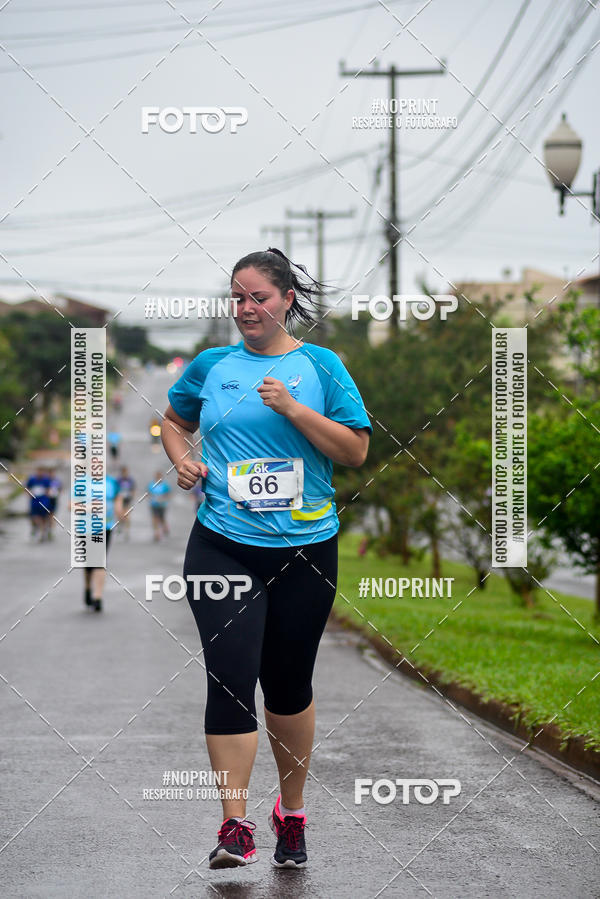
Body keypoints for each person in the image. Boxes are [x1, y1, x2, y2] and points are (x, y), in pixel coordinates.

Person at [161, 247, 371, 870]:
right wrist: (181, 459)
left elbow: (356, 451)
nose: (246, 308)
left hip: (305, 548)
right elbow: (173, 421)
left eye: (259, 297)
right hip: (222, 543)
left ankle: (292, 811)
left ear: (286, 302)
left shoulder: (321, 366)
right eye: (238, 297)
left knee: (287, 685)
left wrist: (295, 409)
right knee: (229, 676)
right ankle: (235, 825)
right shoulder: (212, 365)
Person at [77, 474, 123, 612]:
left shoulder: (111, 482)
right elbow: (71, 505)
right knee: (88, 563)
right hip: (85, 528)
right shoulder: (81, 482)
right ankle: (87, 588)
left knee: (100, 561)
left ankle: (97, 597)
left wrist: (119, 510)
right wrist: (88, 508)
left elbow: (118, 498)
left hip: (105, 527)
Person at [26, 465, 52, 542]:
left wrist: (47, 495)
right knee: (34, 516)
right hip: (34, 501)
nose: (40, 473)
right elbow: (27, 488)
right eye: (38, 471)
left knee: (44, 518)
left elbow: (48, 489)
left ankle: (43, 533)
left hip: (44, 501)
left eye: (41, 471)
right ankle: (37, 527)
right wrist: (30, 494)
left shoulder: (46, 480)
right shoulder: (32, 479)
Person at [147, 471, 171, 540]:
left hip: (162, 505)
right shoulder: (152, 485)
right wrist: (151, 498)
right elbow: (149, 493)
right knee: (155, 519)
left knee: (162, 518)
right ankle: (156, 533)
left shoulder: (164, 485)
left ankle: (165, 527)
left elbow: (168, 494)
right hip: (154, 504)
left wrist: (164, 499)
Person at [117, 466, 136, 538]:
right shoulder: (119, 480)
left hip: (127, 500)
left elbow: (133, 489)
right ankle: (120, 525)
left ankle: (127, 531)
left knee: (127, 515)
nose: (125, 473)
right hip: (120, 500)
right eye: (124, 472)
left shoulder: (130, 480)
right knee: (120, 514)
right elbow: (116, 489)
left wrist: (132, 495)